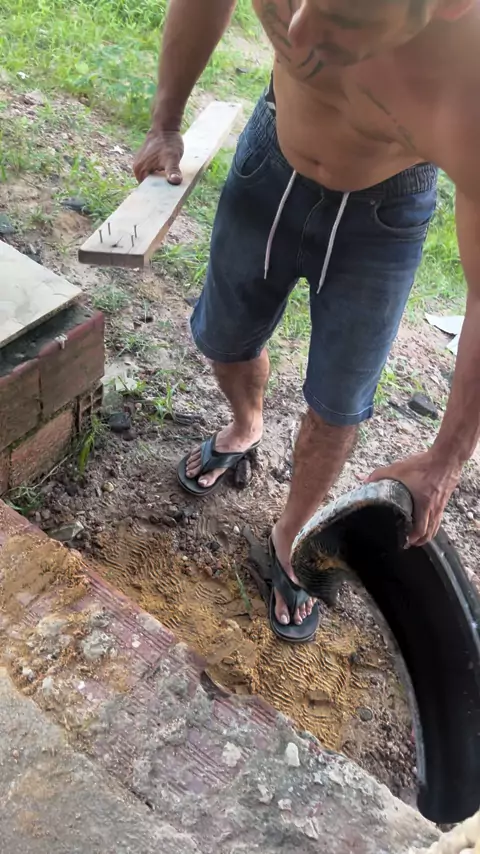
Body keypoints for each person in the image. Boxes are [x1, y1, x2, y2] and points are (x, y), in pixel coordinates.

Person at [134, 0, 480, 642]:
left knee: (337, 405)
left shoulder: (470, 84)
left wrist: (447, 459)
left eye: (342, 15)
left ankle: (289, 536)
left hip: (385, 215)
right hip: (274, 154)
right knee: (224, 338)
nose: (300, 34)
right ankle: (246, 427)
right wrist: (166, 122)